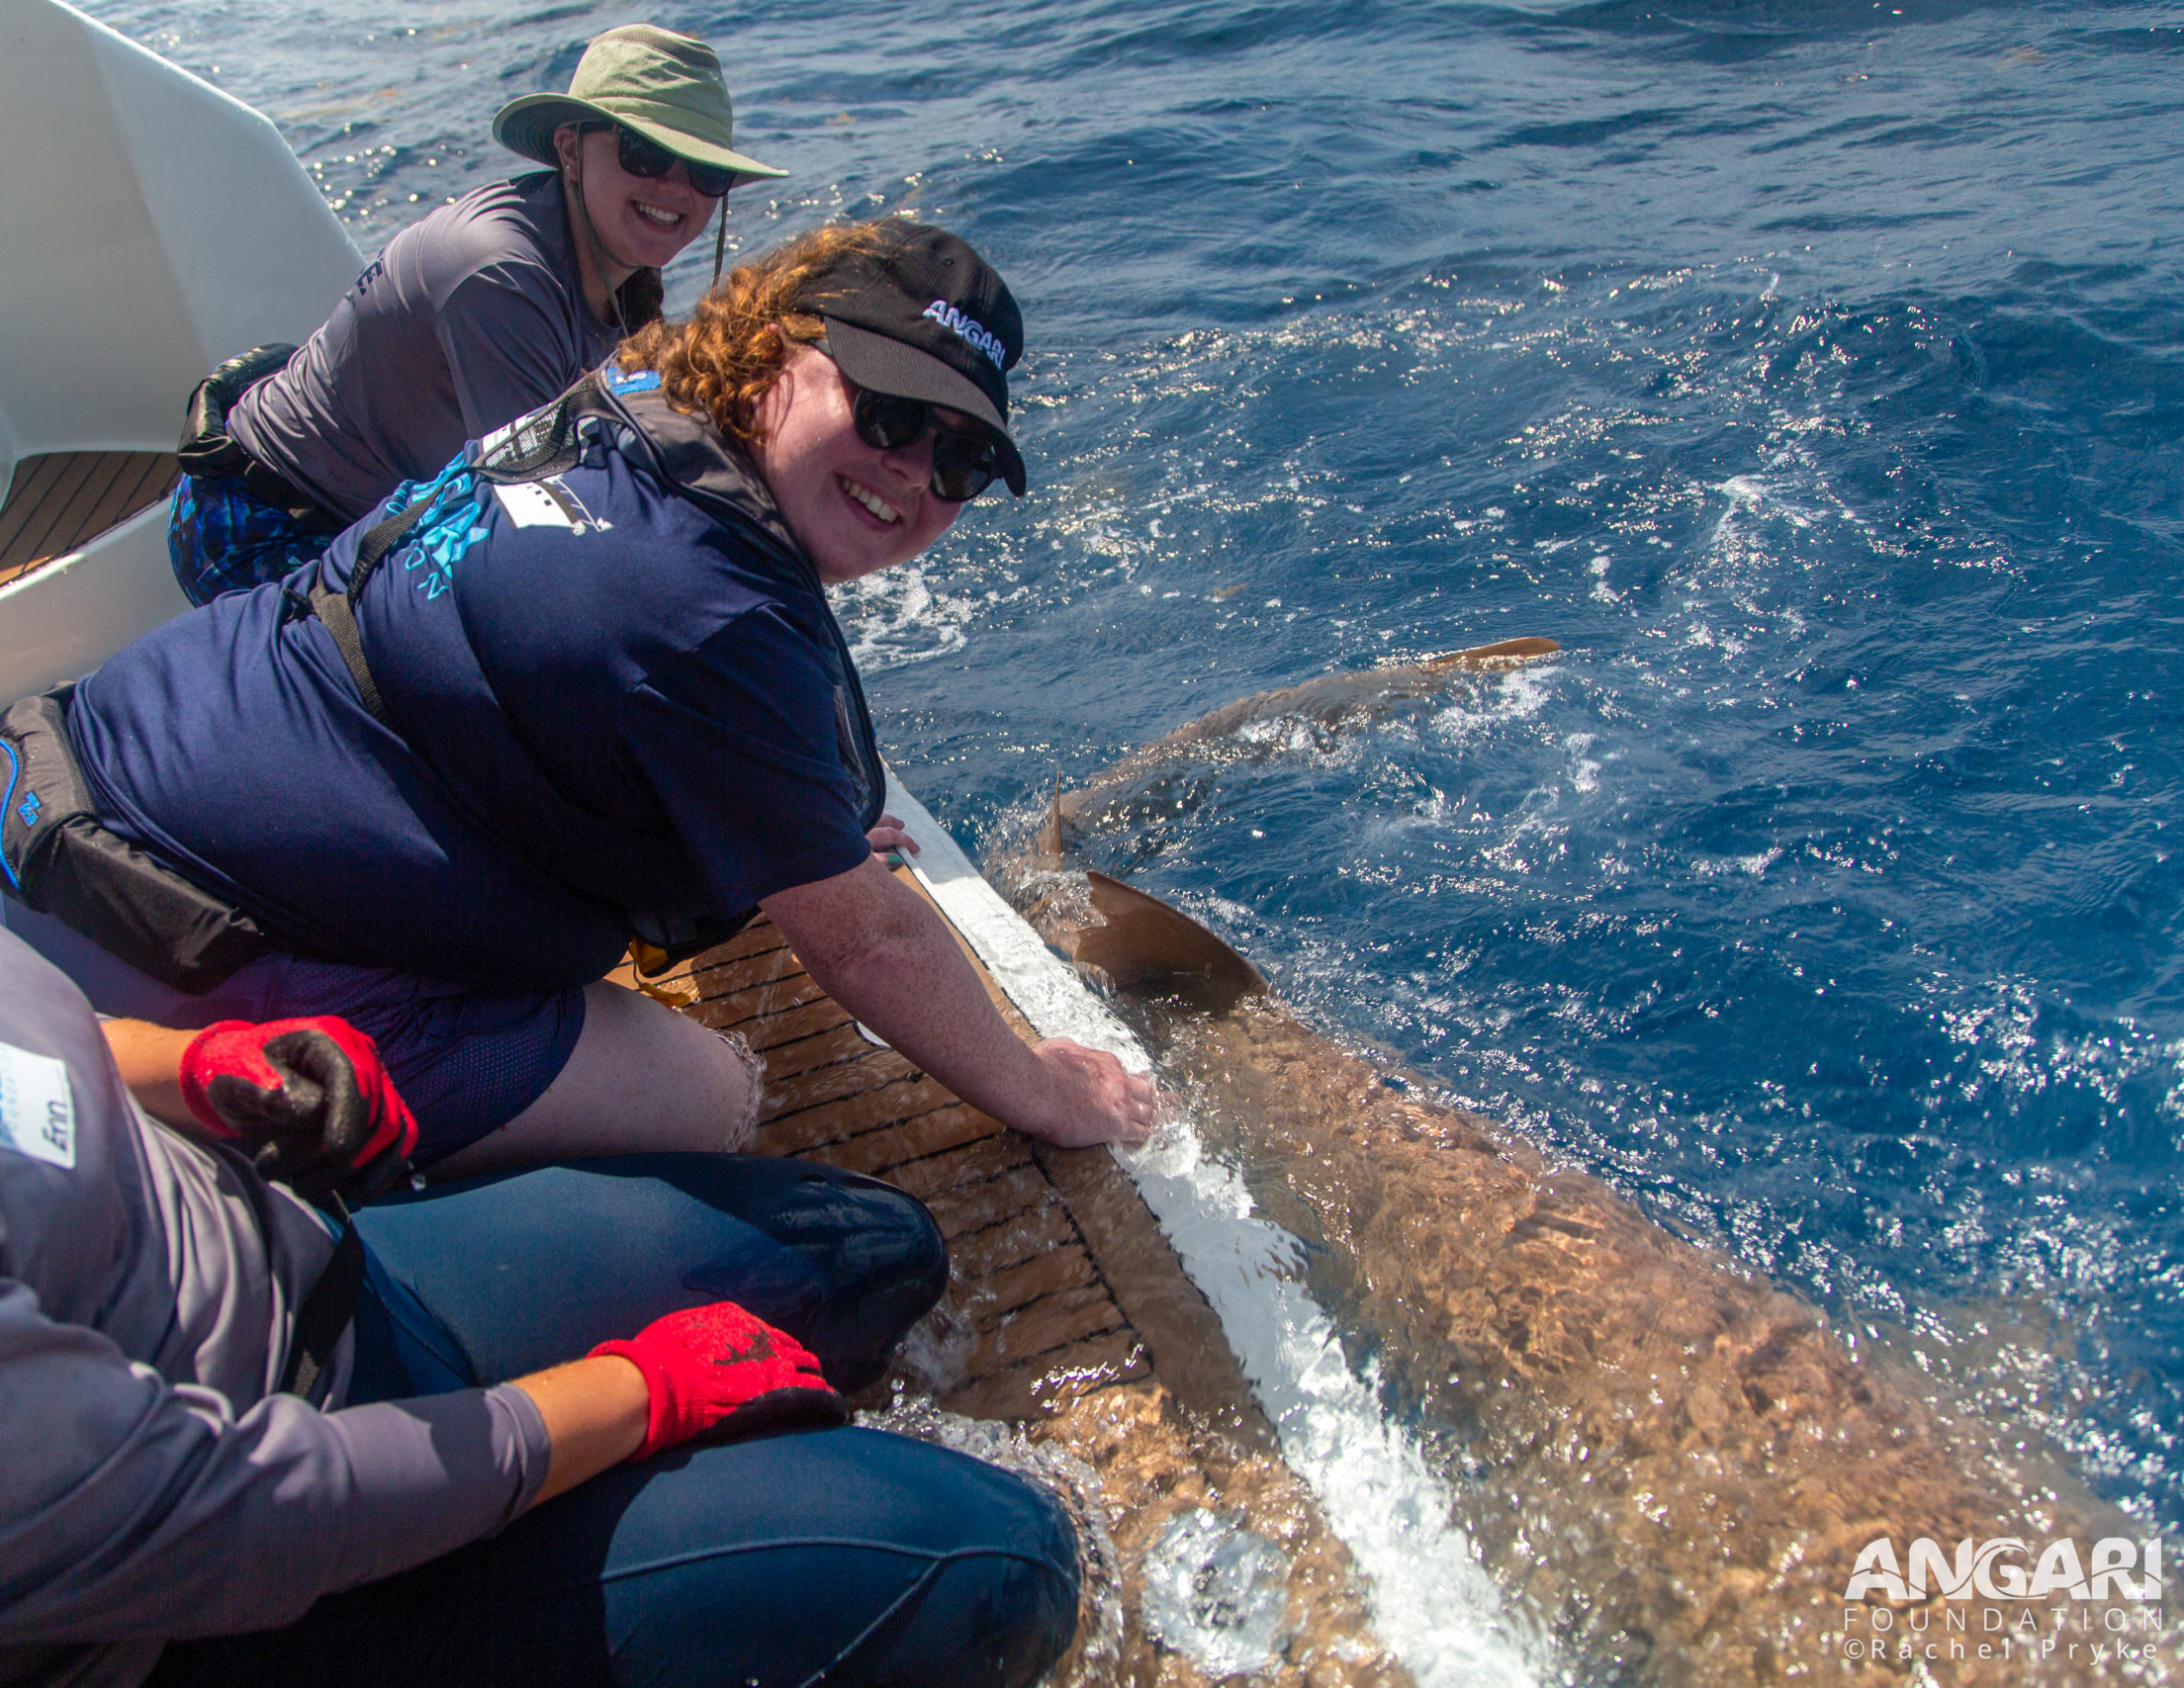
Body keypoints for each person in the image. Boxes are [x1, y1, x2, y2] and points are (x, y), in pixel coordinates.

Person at [7, 218, 1156, 1175]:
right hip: (167, 936)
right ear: (773, 355)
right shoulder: (708, 615)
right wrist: (1047, 1087)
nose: (913, 472)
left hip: (65, 777)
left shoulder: (630, 402)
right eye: (891, 412)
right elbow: (869, 945)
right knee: (707, 1094)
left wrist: (798, 831)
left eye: (959, 463)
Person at [0, 925, 1079, 1687]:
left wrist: (195, 1064)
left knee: (870, 1253)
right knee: (1000, 1562)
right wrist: (642, 1393)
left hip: (330, 1278)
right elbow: (248, 1515)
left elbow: (56, 1037)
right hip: (247, 1588)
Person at [168, 24, 785, 606]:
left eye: (704, 171)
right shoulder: (500, 274)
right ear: (570, 150)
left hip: (370, 516)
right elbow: (543, 521)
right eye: (645, 154)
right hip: (260, 524)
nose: (676, 188)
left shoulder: (616, 265)